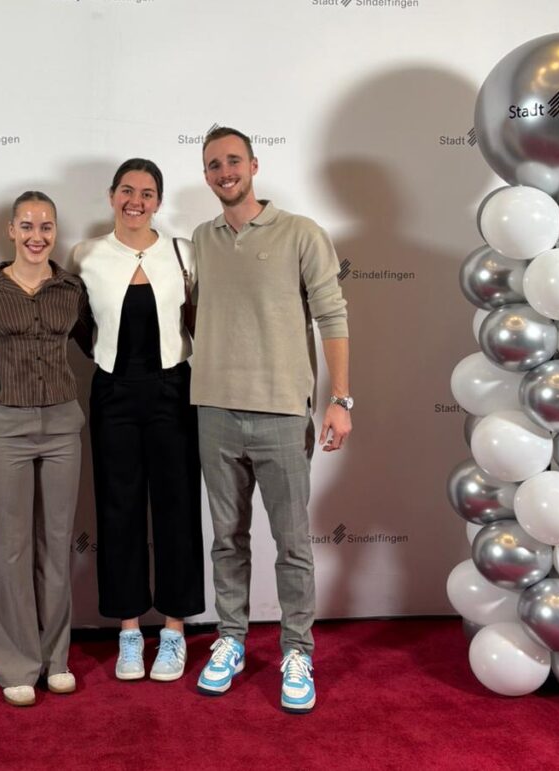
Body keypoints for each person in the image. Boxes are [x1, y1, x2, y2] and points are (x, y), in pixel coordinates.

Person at [190, 127, 352, 712]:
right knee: (226, 540)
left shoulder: (301, 233)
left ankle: (297, 651)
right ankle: (231, 640)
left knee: (292, 543)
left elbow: (332, 316)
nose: (224, 171)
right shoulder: (200, 240)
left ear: (254, 165)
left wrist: (341, 399)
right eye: (214, 164)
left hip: (282, 411)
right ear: (206, 175)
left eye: (233, 160)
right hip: (214, 408)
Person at [67, 159, 203, 683]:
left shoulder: (183, 252)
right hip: (113, 391)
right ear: (111, 196)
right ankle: (128, 631)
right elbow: (76, 323)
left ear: (158, 202)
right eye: (127, 190)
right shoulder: (86, 255)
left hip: (174, 390)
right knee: (117, 509)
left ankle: (173, 631)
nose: (136, 201)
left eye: (147, 193)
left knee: (177, 507)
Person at [0, 191, 92, 707]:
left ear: (55, 232)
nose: (36, 236)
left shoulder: (72, 289)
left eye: (46, 226)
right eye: (26, 226)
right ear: (11, 230)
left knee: (56, 544)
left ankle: (56, 658)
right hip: (4, 427)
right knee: (10, 549)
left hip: (63, 425)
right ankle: (17, 663)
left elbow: (101, 343)